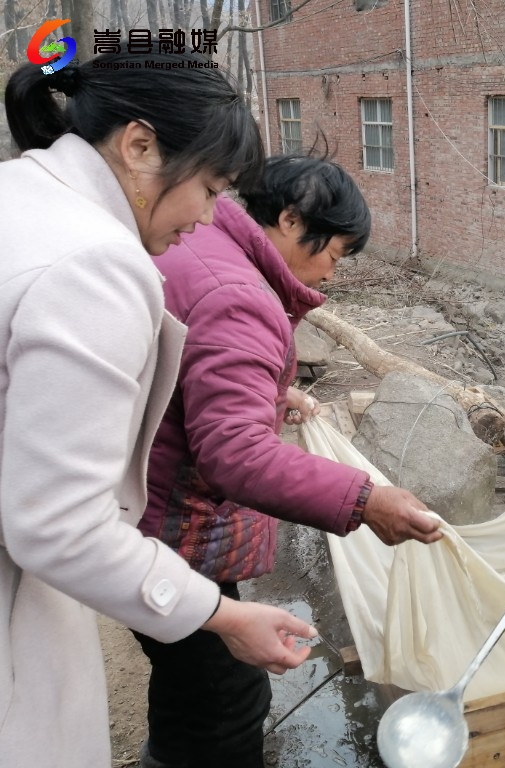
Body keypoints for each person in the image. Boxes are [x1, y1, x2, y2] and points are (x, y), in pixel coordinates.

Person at [0, 53, 319, 768]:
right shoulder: (95, 265)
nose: (207, 217)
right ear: (139, 145)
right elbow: (58, 526)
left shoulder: (18, 193)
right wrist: (224, 615)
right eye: (208, 188)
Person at [135, 153, 444, 768]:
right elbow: (234, 452)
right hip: (175, 531)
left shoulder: (202, 247)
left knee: (189, 684)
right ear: (289, 219)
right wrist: (365, 498)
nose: (333, 272)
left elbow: (196, 380)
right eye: (335, 253)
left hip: (147, 515)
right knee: (227, 700)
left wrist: (277, 393)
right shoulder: (239, 295)